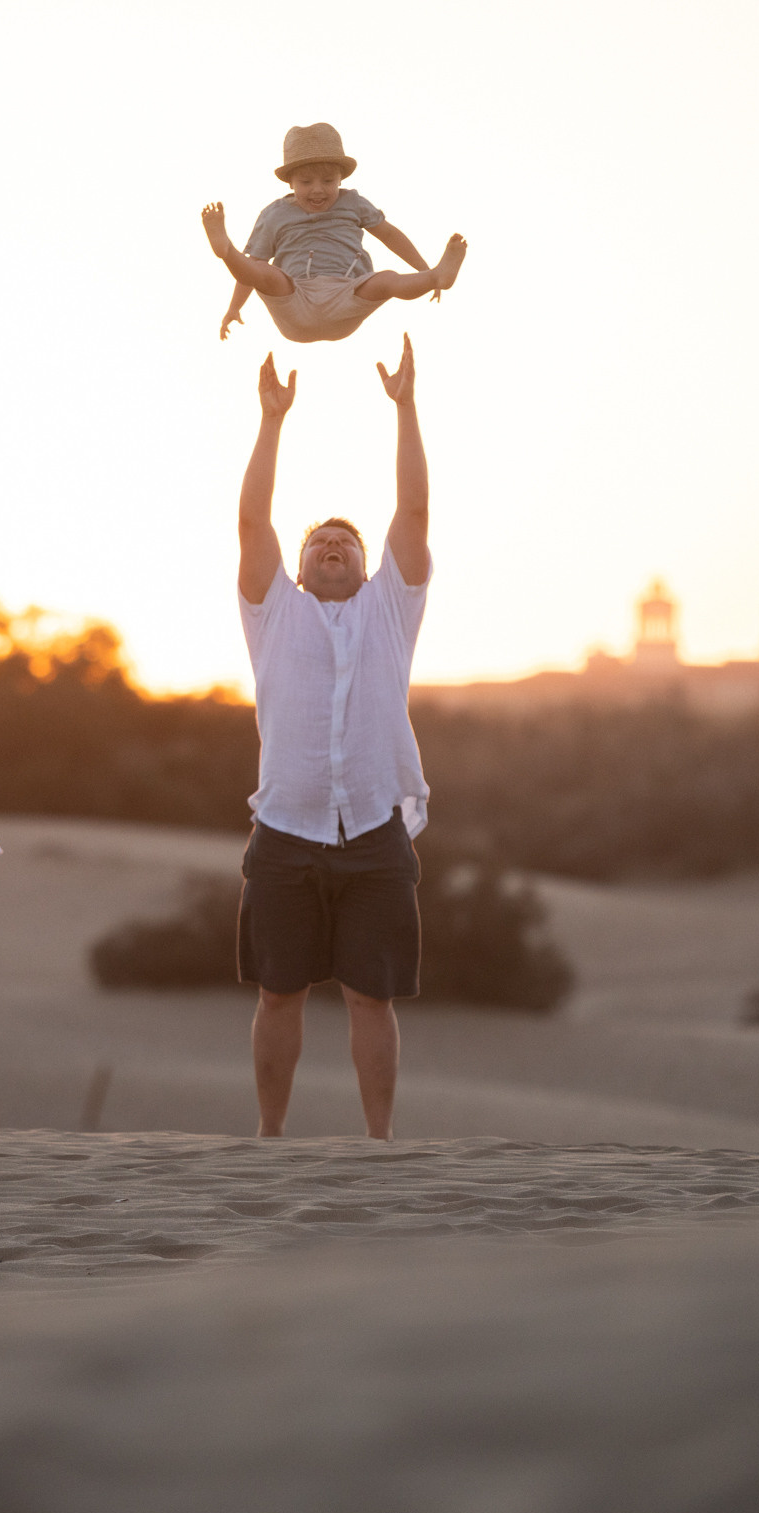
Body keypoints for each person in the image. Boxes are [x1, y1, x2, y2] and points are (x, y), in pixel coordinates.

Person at [233, 334, 433, 1139]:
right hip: (284, 832)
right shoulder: (272, 610)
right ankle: (269, 1138)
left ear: (366, 563)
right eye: (320, 543)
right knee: (278, 992)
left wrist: (406, 406)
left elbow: (414, 513)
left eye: (347, 543)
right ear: (301, 565)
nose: (333, 548)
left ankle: (379, 1141)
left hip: (376, 832)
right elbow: (252, 520)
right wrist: (271, 421)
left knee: (368, 995)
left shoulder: (393, 608)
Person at [201, 122, 467, 344]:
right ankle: (226, 251)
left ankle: (436, 277)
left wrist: (422, 269)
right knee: (267, 274)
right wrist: (234, 307)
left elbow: (389, 235)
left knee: (387, 280)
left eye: (328, 181)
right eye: (306, 182)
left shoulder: (352, 203)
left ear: (341, 179)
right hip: (296, 300)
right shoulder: (275, 214)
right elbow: (255, 269)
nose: (318, 190)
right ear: (290, 182)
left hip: (348, 294)